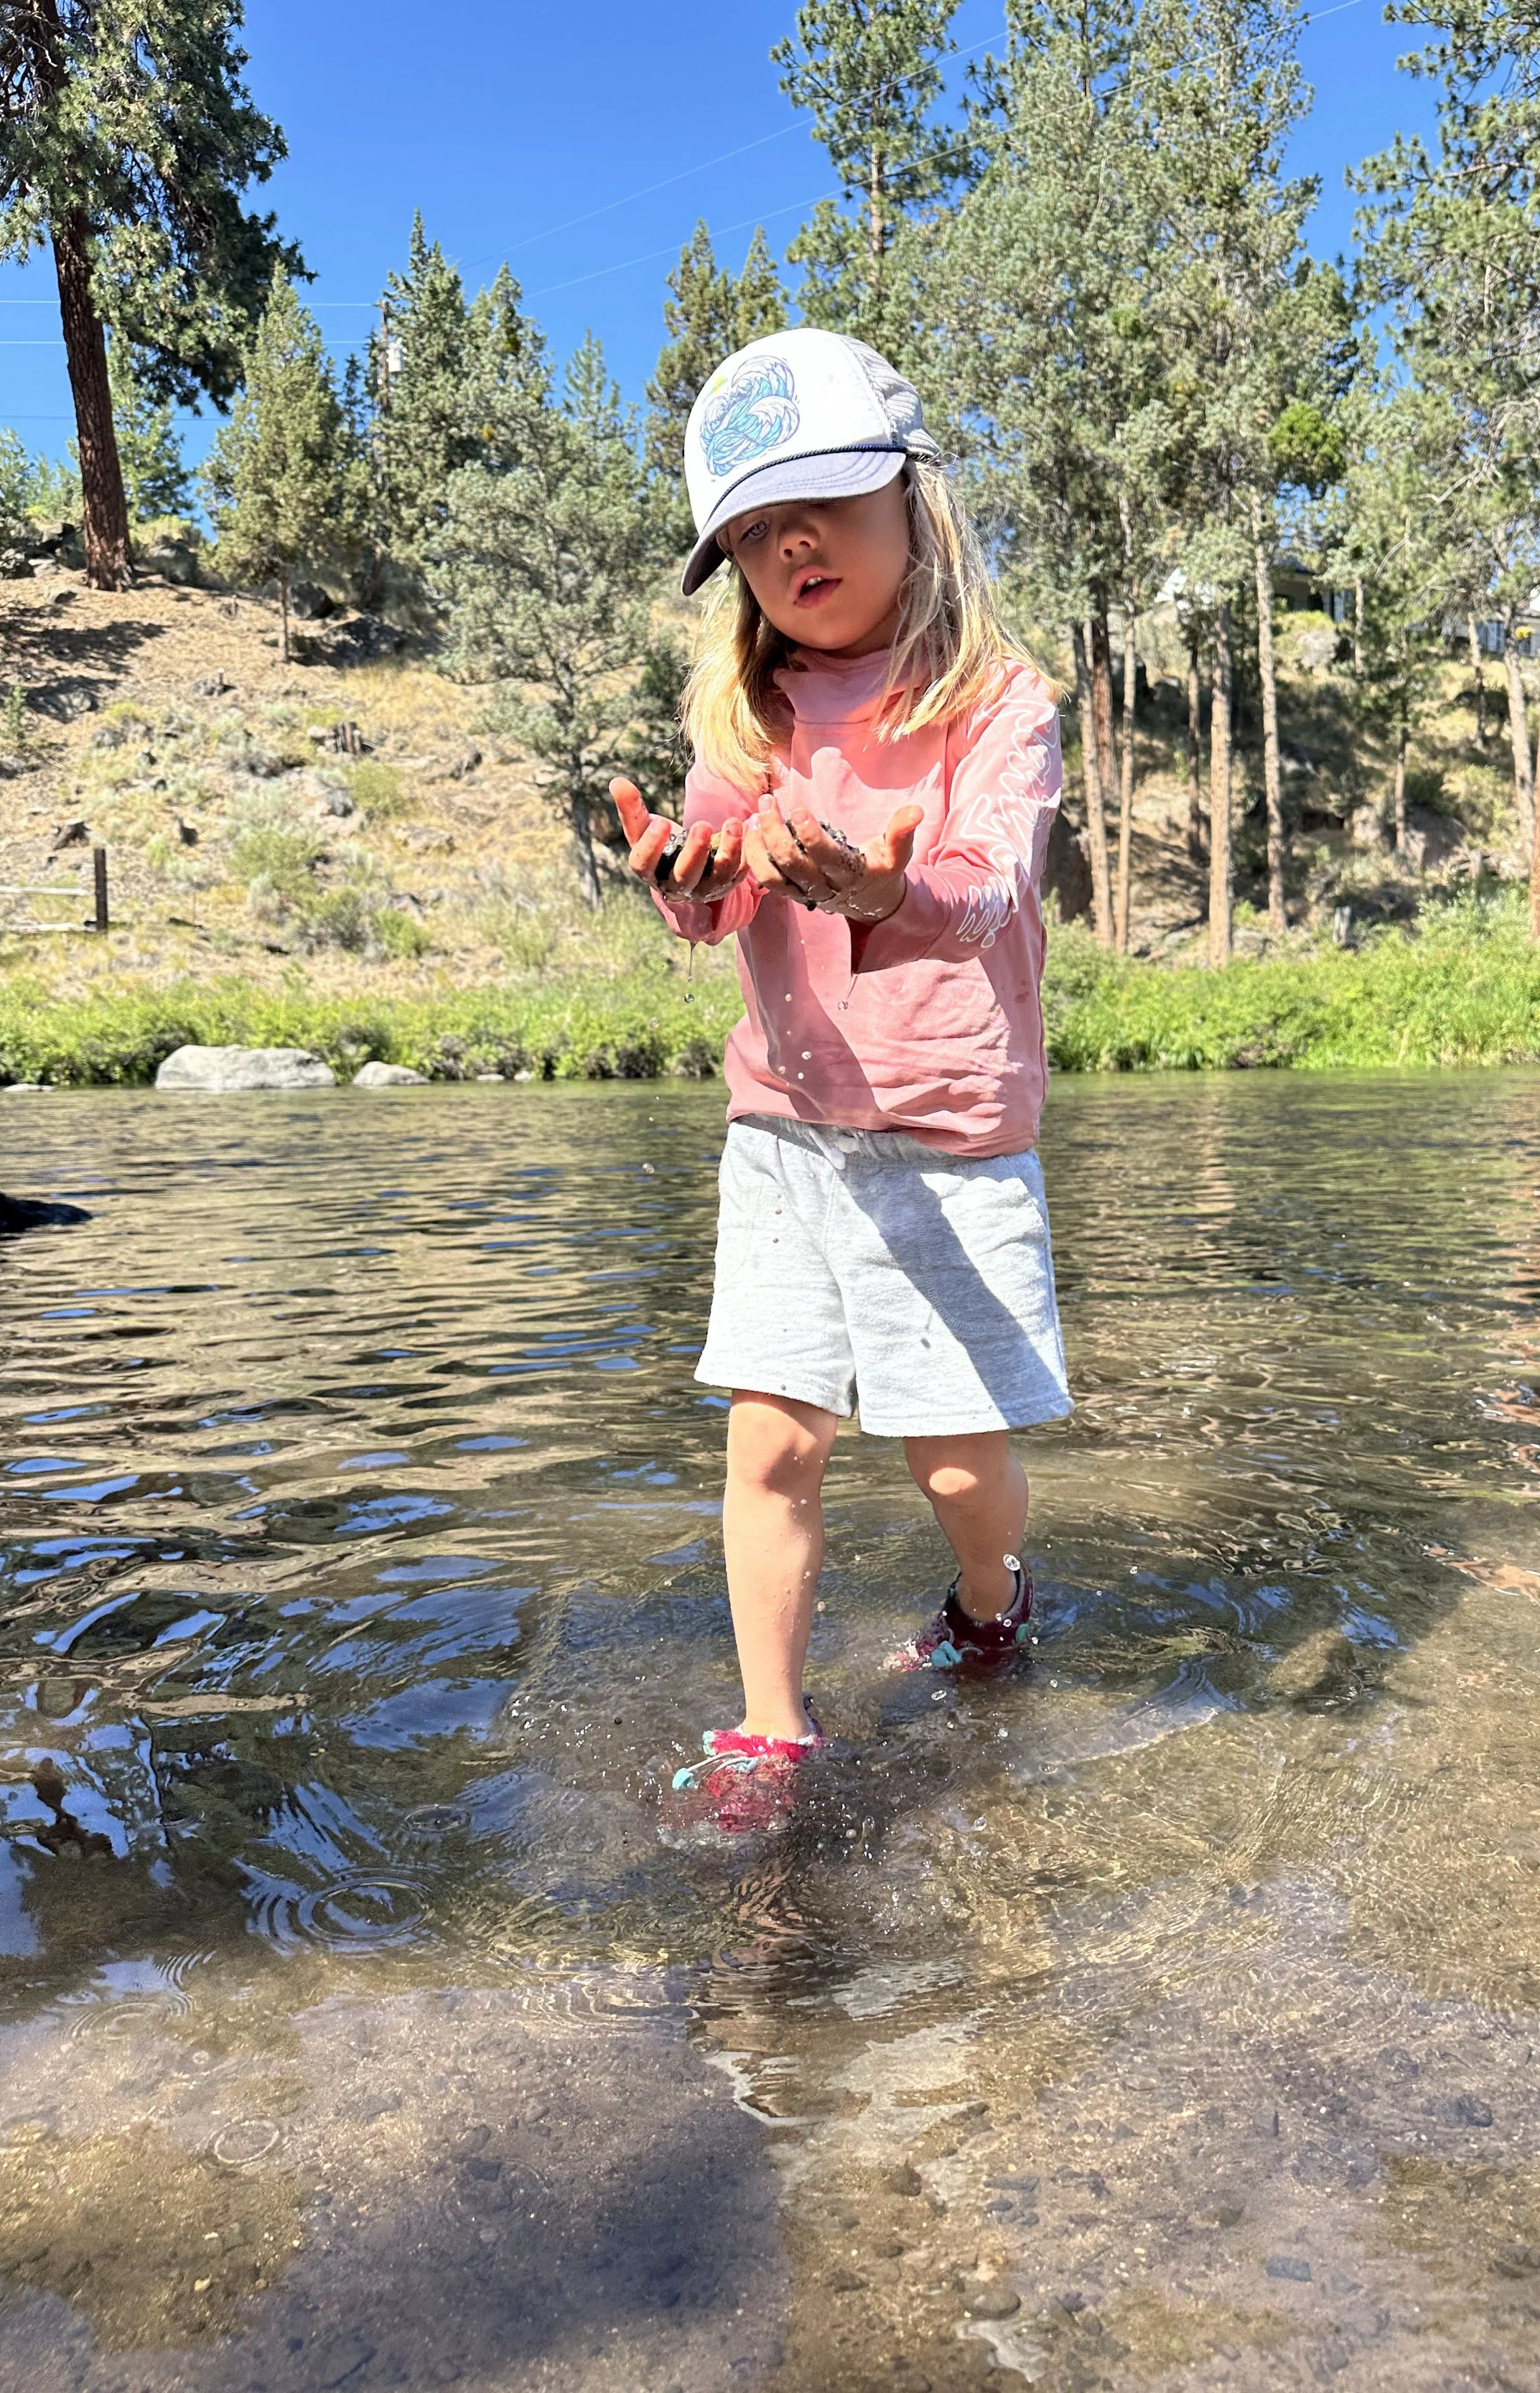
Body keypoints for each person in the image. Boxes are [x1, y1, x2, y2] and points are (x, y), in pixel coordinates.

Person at [611, 325, 1070, 1840]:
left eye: (815, 503)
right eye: (748, 529)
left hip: (947, 1136)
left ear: (911, 501)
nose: (784, 544)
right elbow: (719, 907)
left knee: (953, 1459)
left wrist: (885, 894)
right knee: (772, 1436)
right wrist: (682, 881)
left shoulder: (997, 705)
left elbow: (984, 885)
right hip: (783, 1135)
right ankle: (771, 1724)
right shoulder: (742, 726)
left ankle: (990, 1605)